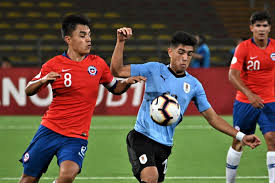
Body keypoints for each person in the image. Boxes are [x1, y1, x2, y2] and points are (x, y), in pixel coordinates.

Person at [110, 27, 261, 183]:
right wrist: (121, 42)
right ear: (170, 52)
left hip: (164, 146)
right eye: (181, 52)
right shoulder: (153, 69)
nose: (185, 58)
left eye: (189, 54)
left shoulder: (194, 85)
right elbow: (117, 70)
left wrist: (242, 136)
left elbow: (213, 118)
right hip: (142, 137)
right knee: (150, 177)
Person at [18, 15, 146, 183]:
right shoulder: (53, 64)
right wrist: (43, 80)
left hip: (77, 136)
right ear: (68, 39)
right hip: (49, 130)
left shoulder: (97, 64)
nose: (89, 40)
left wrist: (127, 82)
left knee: (68, 175)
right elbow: (28, 90)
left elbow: (115, 88)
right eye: (83, 35)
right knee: (28, 178)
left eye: (89, 35)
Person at [225, 10, 275, 183]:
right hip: (245, 103)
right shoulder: (243, 48)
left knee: (272, 139)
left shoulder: (274, 47)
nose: (261, 29)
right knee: (238, 142)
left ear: (269, 28)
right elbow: (232, 75)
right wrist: (250, 95)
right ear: (251, 28)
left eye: (265, 25)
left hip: (270, 102)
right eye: (258, 25)